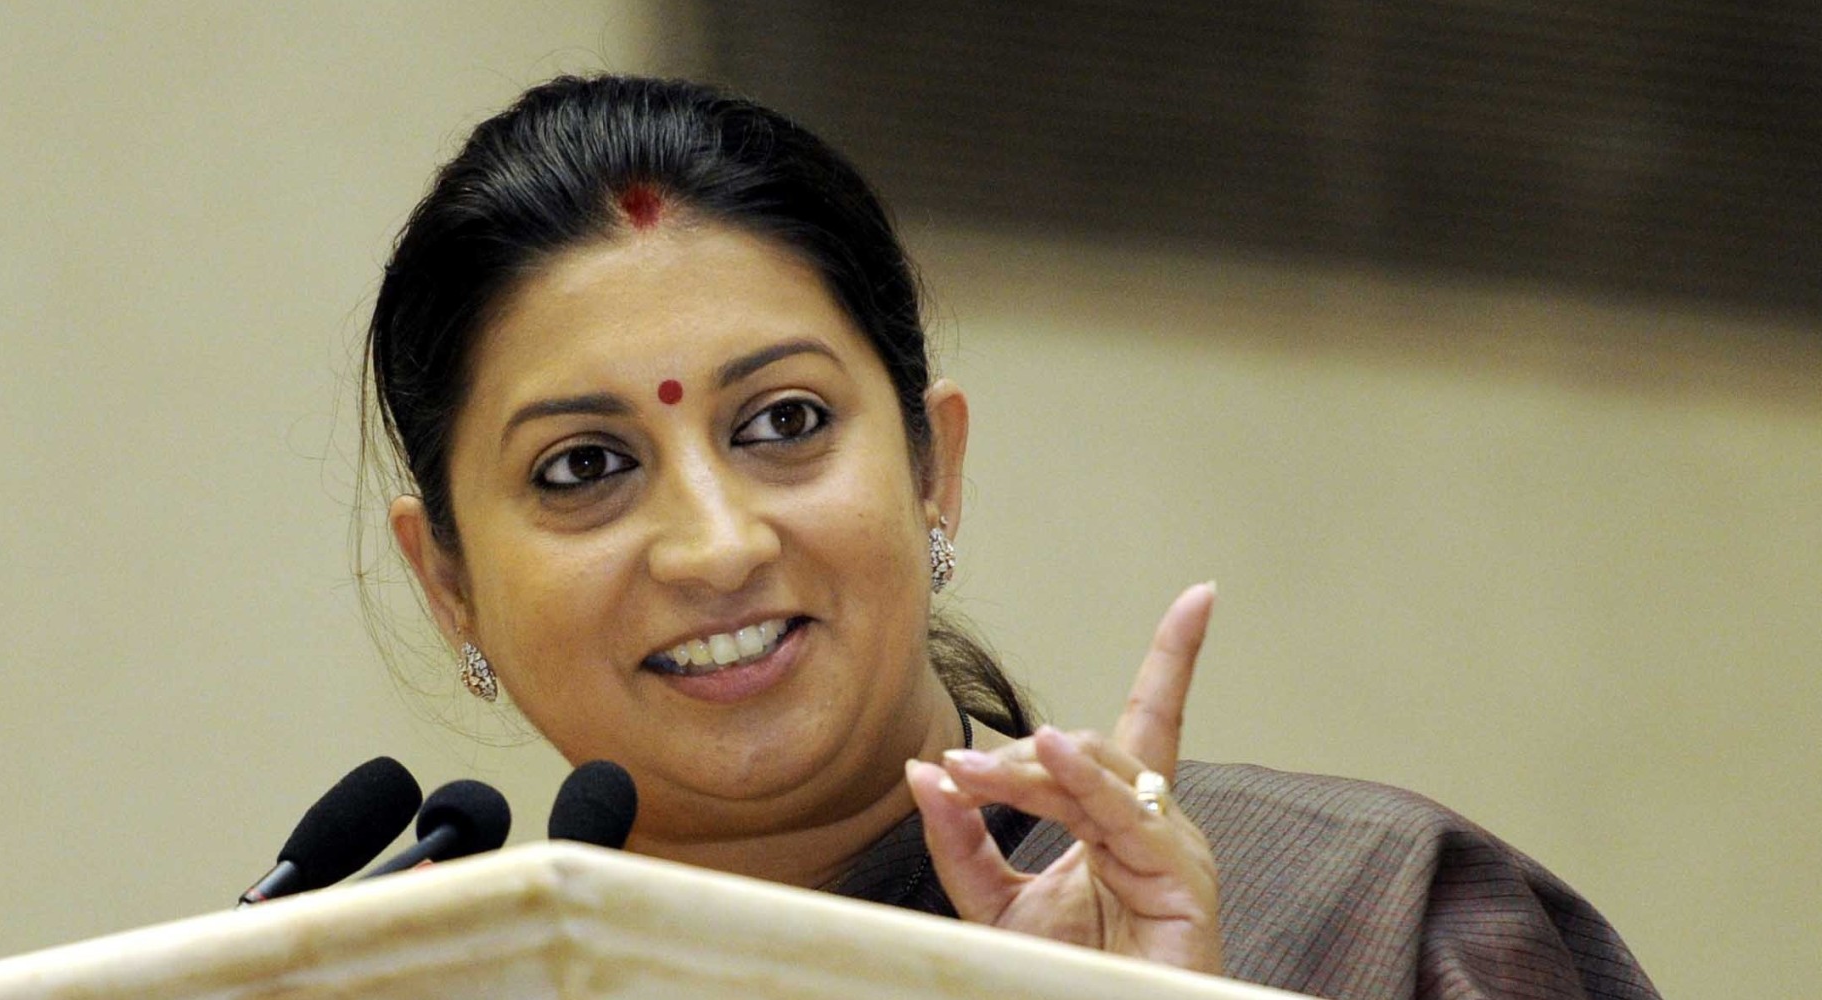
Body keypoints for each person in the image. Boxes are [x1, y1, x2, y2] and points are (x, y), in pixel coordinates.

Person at [365, 74, 1659, 998]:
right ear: (450, 585)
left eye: (784, 421)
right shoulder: (372, 988)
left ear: (937, 468)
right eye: (585, 465)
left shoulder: (1364, 920)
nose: (714, 547)